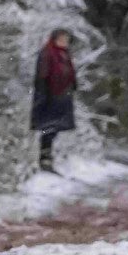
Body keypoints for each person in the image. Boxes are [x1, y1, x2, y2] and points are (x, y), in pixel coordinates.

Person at [30, 28, 78, 172]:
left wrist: (72, 86)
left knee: (54, 128)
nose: (64, 42)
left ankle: (48, 157)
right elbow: (42, 76)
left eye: (66, 39)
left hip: (62, 97)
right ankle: (44, 158)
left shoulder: (64, 54)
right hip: (50, 97)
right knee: (48, 127)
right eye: (62, 39)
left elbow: (68, 73)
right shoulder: (48, 53)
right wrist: (45, 94)